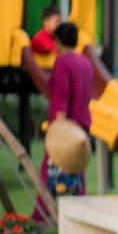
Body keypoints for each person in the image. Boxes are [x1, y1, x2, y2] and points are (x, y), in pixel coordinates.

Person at [32, 22, 93, 222]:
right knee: (77, 169)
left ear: (57, 41)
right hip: (82, 124)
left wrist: (58, 125)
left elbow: (62, 94)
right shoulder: (85, 62)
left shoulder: (62, 62)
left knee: (47, 170)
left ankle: (41, 217)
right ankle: (81, 215)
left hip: (66, 125)